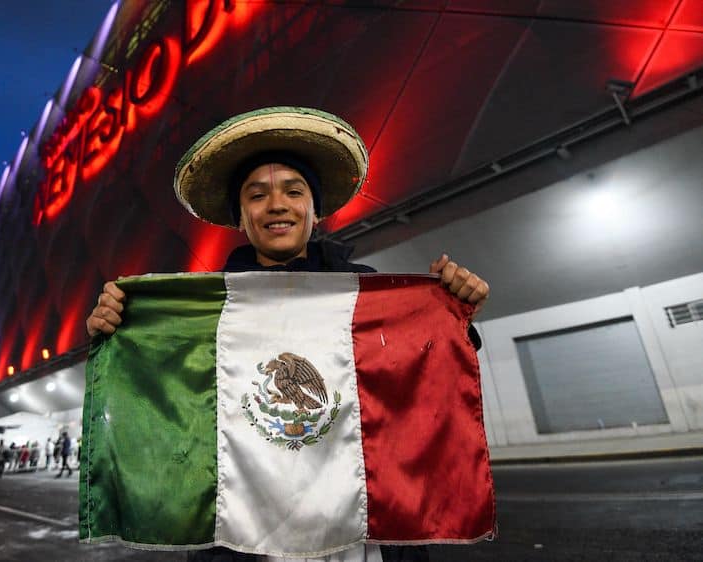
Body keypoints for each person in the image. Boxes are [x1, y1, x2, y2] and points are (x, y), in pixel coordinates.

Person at [85, 107, 490, 562]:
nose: (276, 205)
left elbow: (424, 379)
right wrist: (114, 331)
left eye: (293, 192)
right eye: (257, 196)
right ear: (241, 216)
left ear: (314, 212)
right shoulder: (208, 311)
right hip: (246, 542)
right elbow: (160, 394)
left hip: (359, 538)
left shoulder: (365, 295)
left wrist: (453, 315)